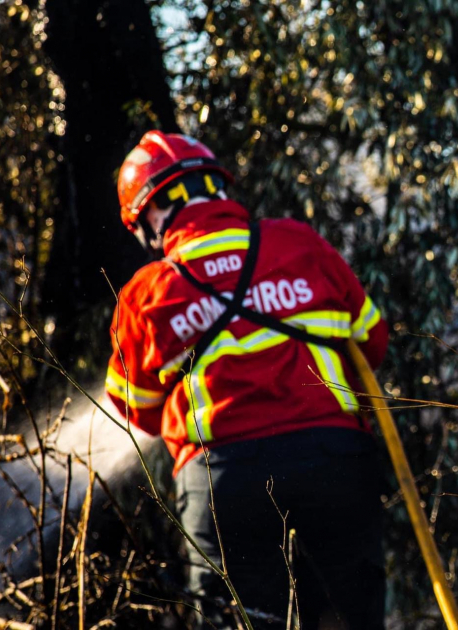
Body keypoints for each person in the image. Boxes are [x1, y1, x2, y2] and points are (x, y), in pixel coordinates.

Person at [104, 130, 388, 629]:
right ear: (217, 186)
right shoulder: (299, 244)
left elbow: (136, 411)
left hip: (226, 481)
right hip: (334, 462)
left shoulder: (147, 293)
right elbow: (373, 341)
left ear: (151, 214)